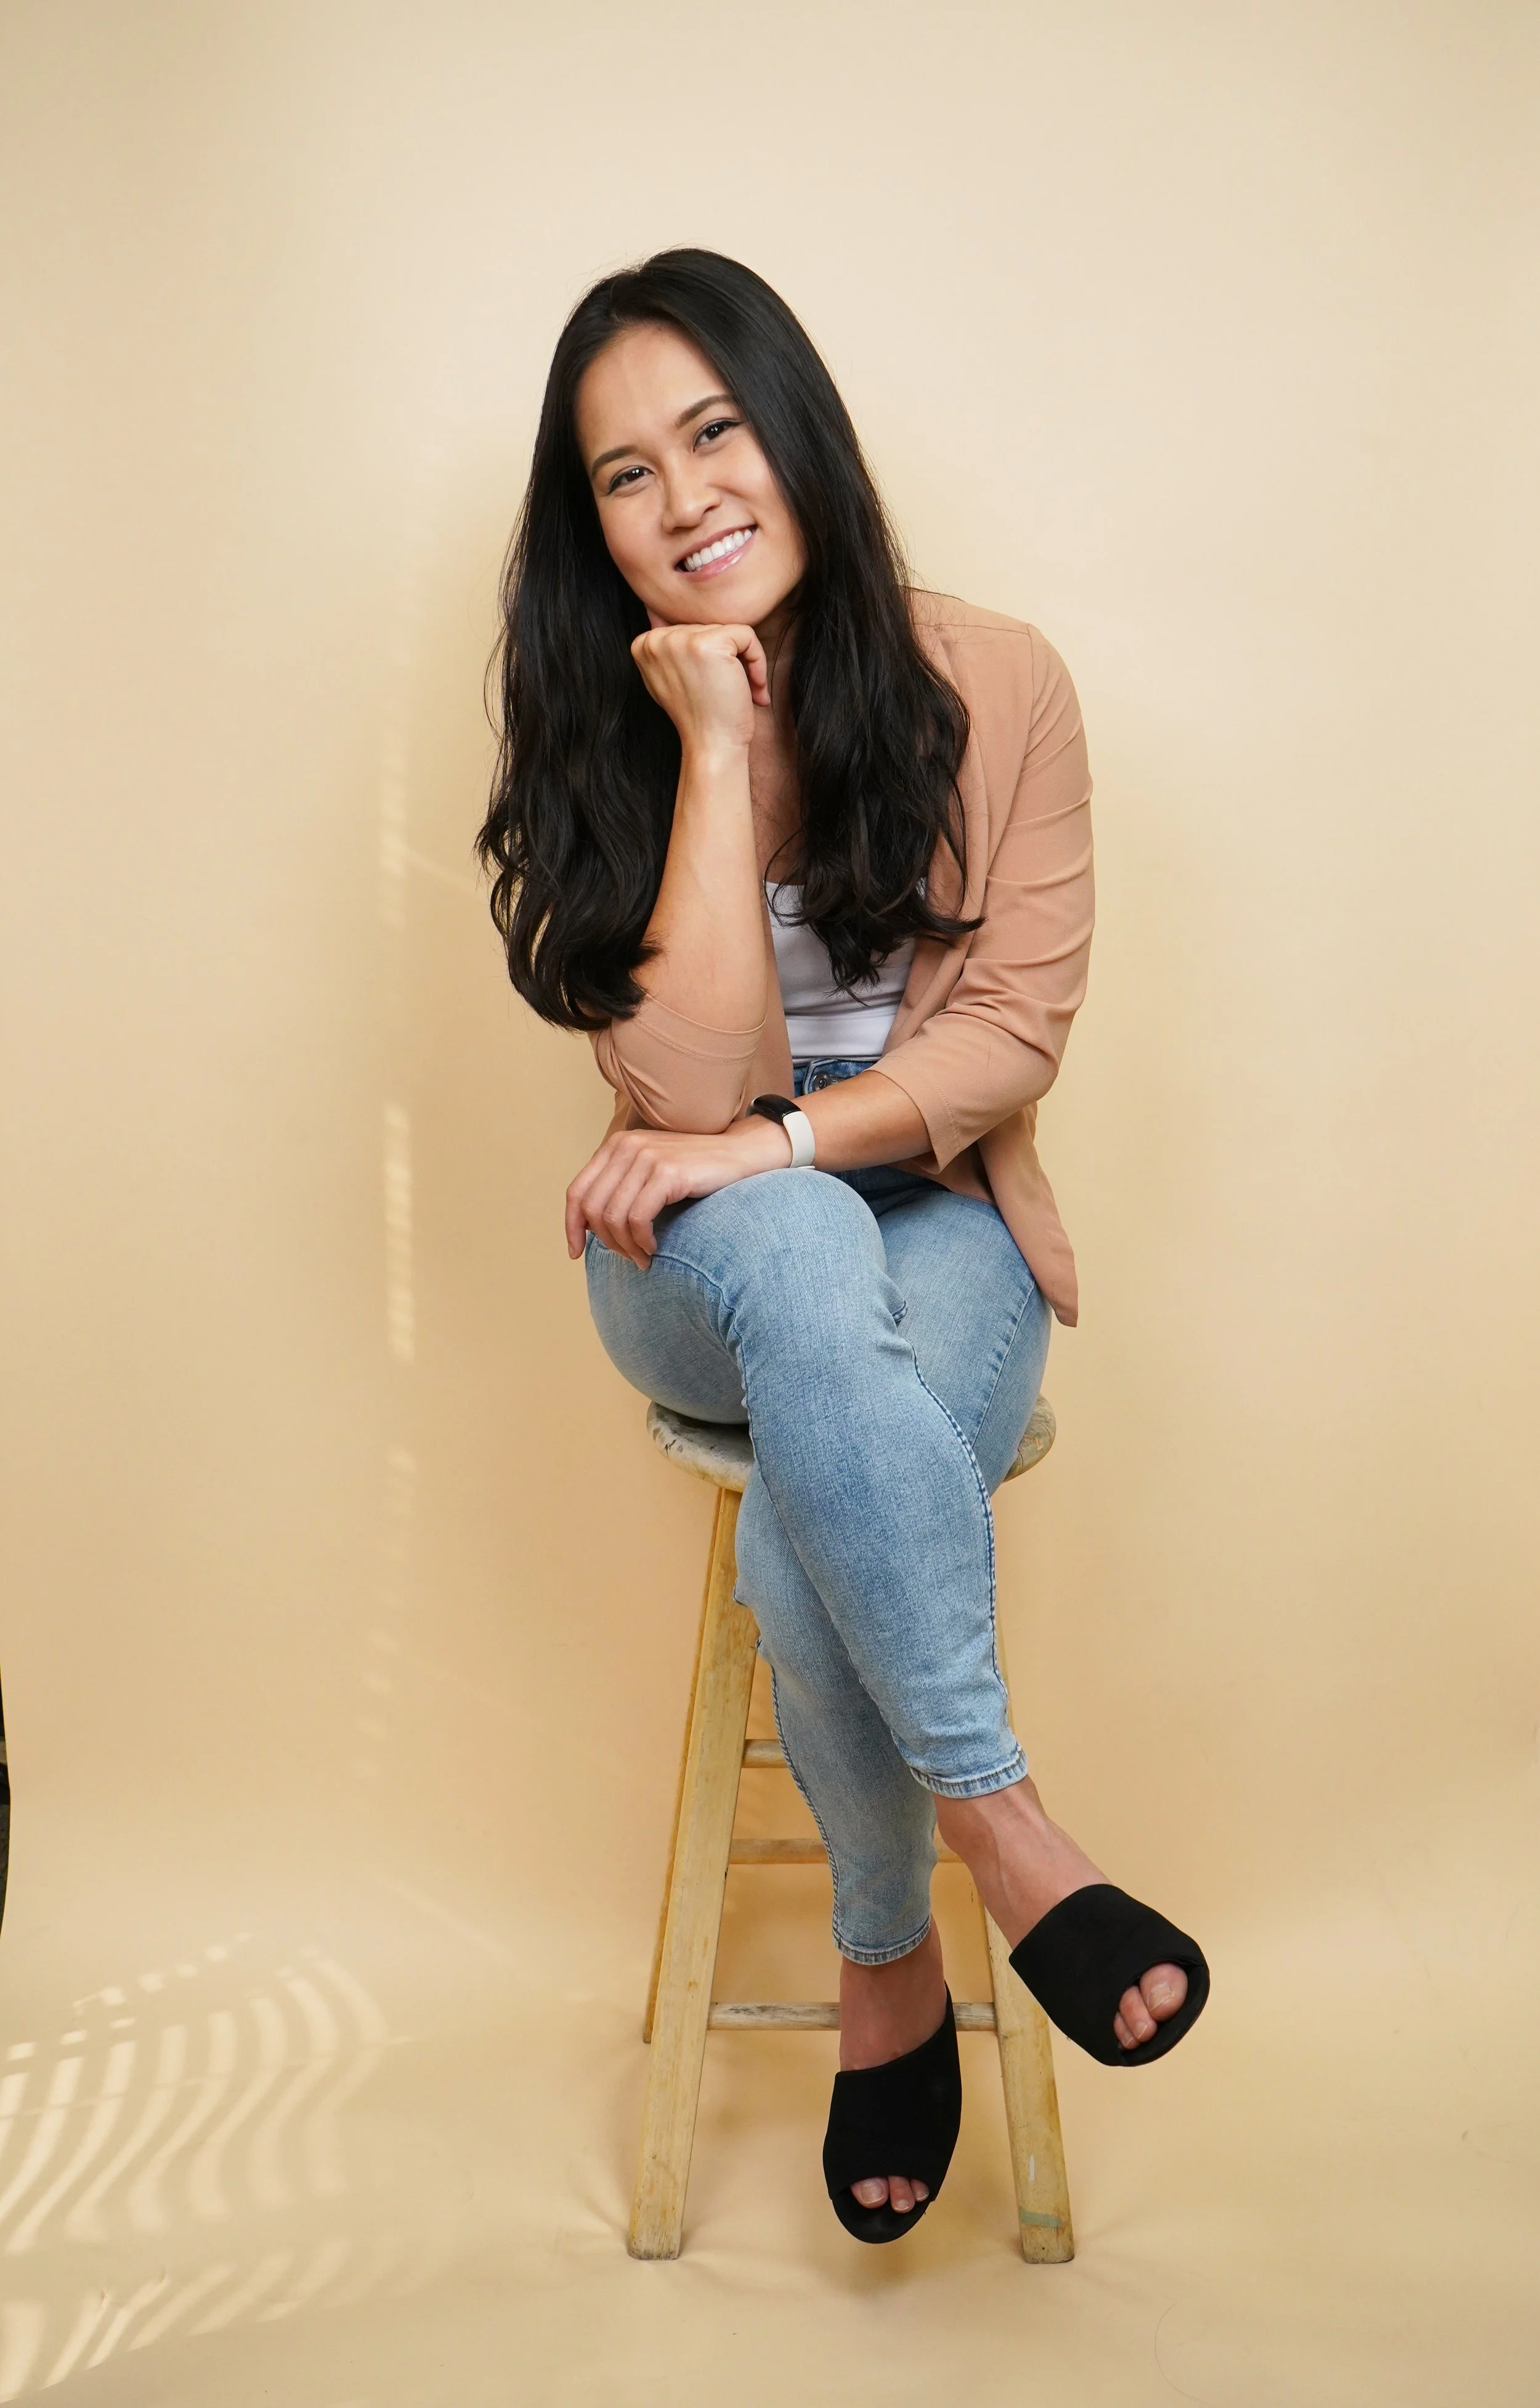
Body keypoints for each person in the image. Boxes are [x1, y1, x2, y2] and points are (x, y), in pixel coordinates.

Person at [478, 249, 1209, 2245]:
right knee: (792, 1249)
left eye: (714, 429)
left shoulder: (1002, 681)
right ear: (594, 530)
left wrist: (776, 1143)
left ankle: (888, 1960)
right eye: (623, 474)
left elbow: (1005, 1039)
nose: (685, 494)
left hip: (946, 1222)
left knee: (819, 1502)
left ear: (796, 429)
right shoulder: (593, 725)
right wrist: (710, 751)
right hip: (690, 1272)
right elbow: (685, 1075)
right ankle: (1006, 1824)